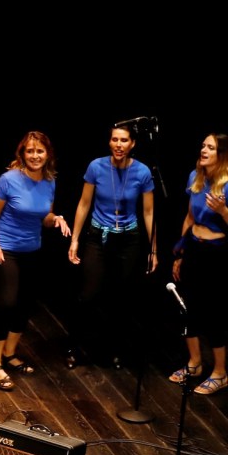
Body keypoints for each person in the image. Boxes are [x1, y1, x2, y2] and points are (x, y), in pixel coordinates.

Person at [0, 131, 71, 391]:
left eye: (39, 151)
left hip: (32, 249)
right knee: (7, 303)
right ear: (22, 154)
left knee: (25, 304)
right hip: (6, 249)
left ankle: (10, 354)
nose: (35, 156)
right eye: (30, 151)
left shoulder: (49, 181)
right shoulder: (8, 180)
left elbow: (44, 217)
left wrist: (56, 219)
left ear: (47, 155)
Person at [67, 125, 155, 369]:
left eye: (124, 140)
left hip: (128, 239)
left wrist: (153, 250)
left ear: (132, 144)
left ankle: (114, 349)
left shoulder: (142, 172)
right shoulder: (96, 167)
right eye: (115, 139)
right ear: (109, 142)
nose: (119, 144)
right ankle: (75, 346)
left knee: (121, 298)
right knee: (88, 295)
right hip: (99, 236)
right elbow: (84, 203)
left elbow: (148, 212)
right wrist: (75, 239)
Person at [169, 132, 228, 395]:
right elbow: (190, 217)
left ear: (222, 154)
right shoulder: (196, 177)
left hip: (217, 254)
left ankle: (220, 373)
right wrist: (180, 253)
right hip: (193, 246)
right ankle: (194, 363)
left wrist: (223, 211)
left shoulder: (227, 185)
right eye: (203, 146)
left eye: (211, 147)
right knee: (187, 307)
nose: (204, 150)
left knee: (213, 312)